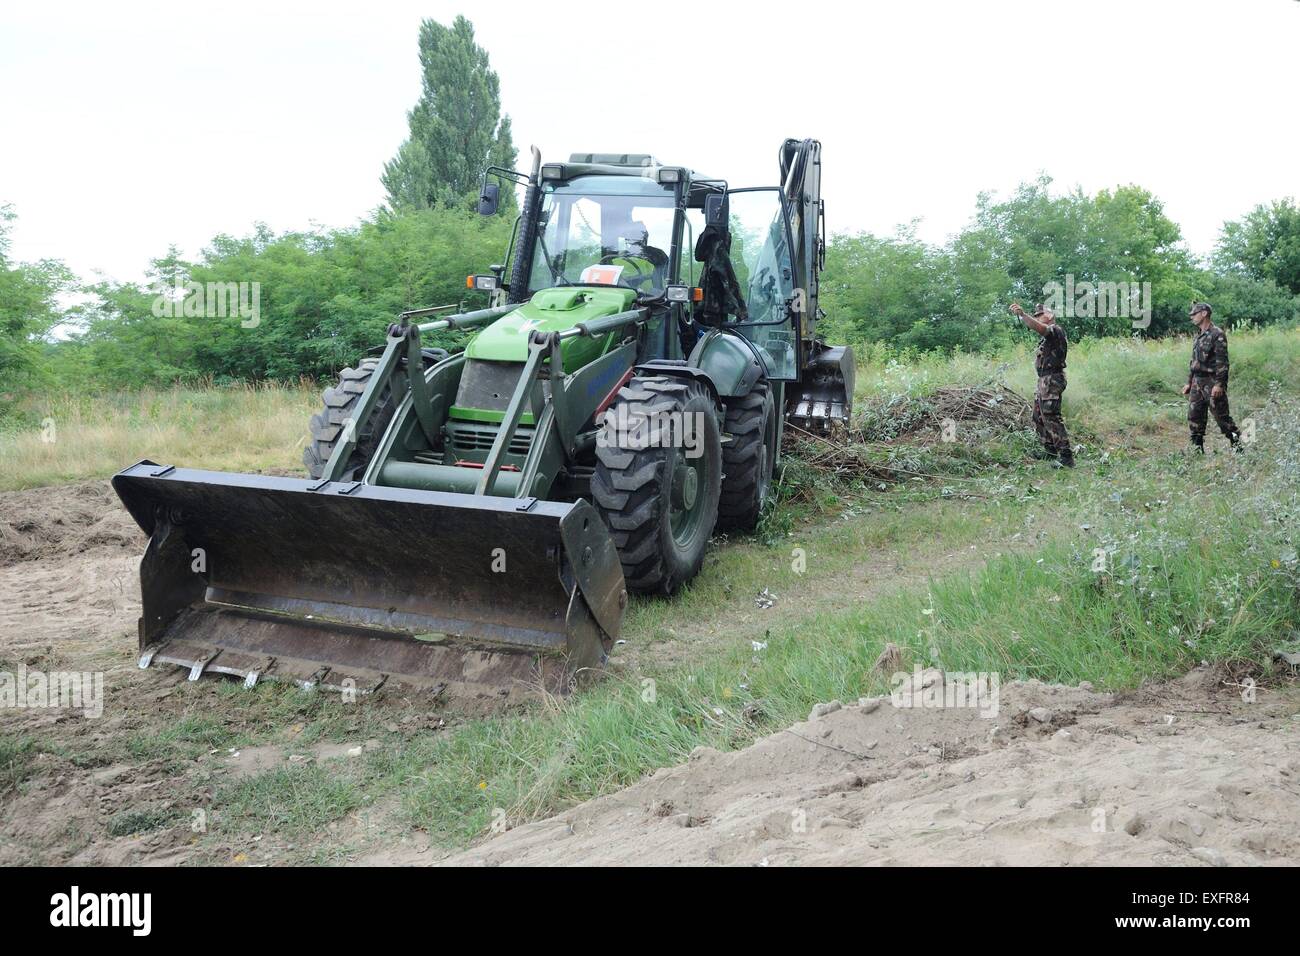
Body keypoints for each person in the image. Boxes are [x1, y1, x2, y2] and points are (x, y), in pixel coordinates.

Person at [1011, 302, 1074, 467]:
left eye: (1041, 314)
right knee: (1038, 416)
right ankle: (1050, 451)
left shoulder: (1055, 330)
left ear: (1051, 315)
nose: (1039, 317)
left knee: (1051, 416)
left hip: (1052, 379)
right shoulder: (1046, 338)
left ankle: (1066, 457)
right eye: (1036, 315)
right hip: (1043, 381)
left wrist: (1024, 315)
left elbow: (1040, 328)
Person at [1181, 302, 1241, 453]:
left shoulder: (1217, 334)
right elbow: (1193, 361)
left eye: (1194, 314)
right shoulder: (1198, 336)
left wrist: (1219, 384)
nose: (1192, 317)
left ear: (1204, 313)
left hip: (1212, 381)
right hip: (1197, 382)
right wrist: (1189, 382)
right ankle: (1197, 451)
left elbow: (1223, 362)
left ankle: (1238, 448)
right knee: (1194, 417)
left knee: (1222, 418)